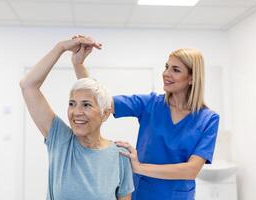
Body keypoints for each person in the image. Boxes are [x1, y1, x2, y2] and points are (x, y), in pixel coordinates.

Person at [72, 36, 220, 200]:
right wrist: (78, 64)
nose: (166, 74)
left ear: (192, 78)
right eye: (166, 67)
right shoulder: (150, 104)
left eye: (175, 70)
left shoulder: (208, 119)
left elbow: (191, 170)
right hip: (142, 193)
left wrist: (139, 168)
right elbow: (100, 100)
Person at [19, 37, 134, 200]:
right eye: (72, 104)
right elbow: (28, 86)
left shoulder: (119, 155)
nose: (76, 112)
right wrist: (61, 47)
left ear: (105, 113)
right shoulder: (60, 140)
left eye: (86, 105)